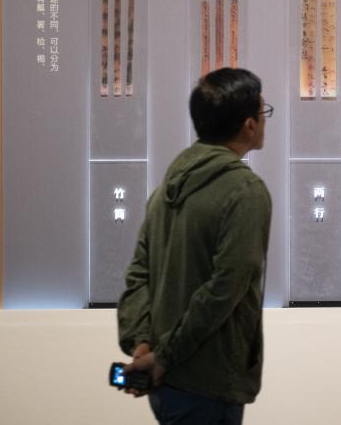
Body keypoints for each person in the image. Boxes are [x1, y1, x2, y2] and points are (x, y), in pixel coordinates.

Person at [117, 67, 273, 425]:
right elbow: (225, 289)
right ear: (249, 125)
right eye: (263, 112)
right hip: (208, 380)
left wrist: (143, 344)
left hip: (166, 382)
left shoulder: (167, 189)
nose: (265, 121)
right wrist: (165, 356)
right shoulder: (245, 192)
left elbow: (139, 274)